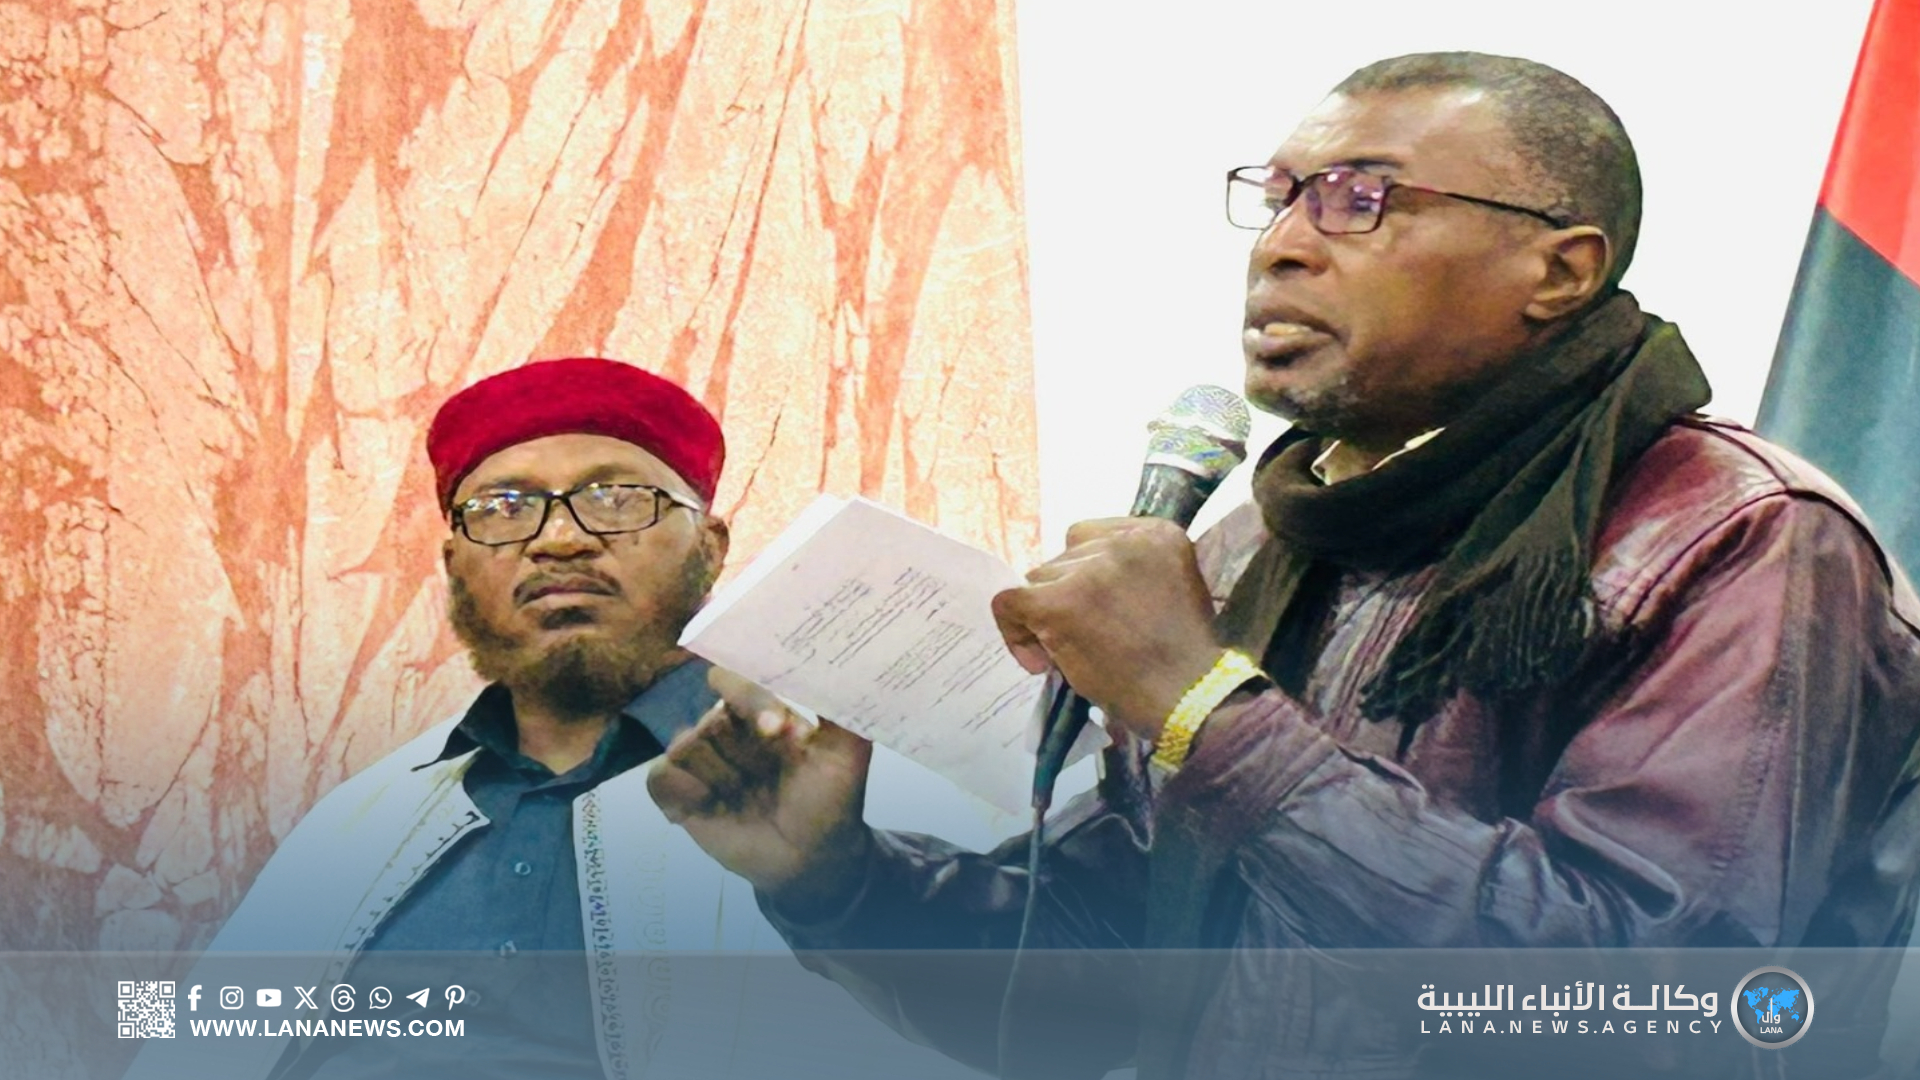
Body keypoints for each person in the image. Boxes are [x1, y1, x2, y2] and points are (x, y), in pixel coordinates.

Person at [648, 53, 1920, 1079]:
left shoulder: (1739, 537)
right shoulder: (1259, 543)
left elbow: (1658, 1010)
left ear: (1560, 268)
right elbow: (1105, 980)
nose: (1282, 247)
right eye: (1280, 197)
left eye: (1362, 198)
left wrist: (1208, 710)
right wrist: (837, 884)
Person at [122, 358, 991, 1080]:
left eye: (616, 498)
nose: (560, 539)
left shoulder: (855, 796)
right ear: (455, 562)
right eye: (504, 509)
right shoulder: (360, 820)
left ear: (710, 546)